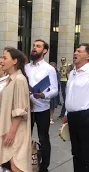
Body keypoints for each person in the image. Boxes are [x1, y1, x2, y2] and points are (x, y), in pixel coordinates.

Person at [0, 47, 32, 172]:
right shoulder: (11, 80)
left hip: (15, 131)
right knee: (12, 163)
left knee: (16, 165)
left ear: (15, 61)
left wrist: (11, 132)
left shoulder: (19, 80)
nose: (1, 61)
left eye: (5, 58)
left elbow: (19, 109)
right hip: (9, 130)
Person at [25, 39, 58, 172]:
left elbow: (55, 90)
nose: (34, 48)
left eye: (38, 46)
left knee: (43, 138)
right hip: (27, 108)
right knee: (25, 137)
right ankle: (25, 163)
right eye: (33, 45)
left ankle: (44, 167)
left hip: (42, 108)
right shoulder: (26, 67)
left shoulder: (49, 69)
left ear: (44, 51)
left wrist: (44, 95)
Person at [62, 43, 89, 172]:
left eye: (79, 51)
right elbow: (70, 94)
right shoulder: (72, 72)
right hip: (72, 117)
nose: (75, 53)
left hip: (86, 116)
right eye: (75, 51)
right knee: (76, 152)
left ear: (88, 56)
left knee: (86, 153)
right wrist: (67, 113)